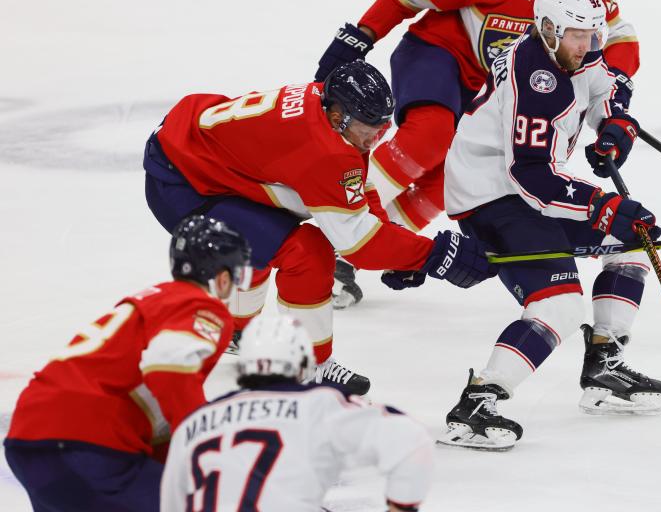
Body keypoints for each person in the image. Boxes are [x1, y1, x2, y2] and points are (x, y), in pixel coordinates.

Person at [314, 0, 639, 306]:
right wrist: (358, 37)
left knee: (451, 178)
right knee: (429, 138)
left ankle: (359, 249)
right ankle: (343, 215)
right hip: (438, 56)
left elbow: (620, 34)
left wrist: (614, 94)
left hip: (497, 87)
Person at [143, 60, 498, 396]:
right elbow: (359, 244)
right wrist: (435, 257)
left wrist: (404, 251)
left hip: (199, 158)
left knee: (270, 232)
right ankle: (308, 367)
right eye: (367, 130)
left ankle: (238, 329)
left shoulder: (332, 113)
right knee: (305, 251)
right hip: (183, 185)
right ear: (339, 115)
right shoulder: (326, 149)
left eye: (381, 130)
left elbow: (357, 189)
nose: (374, 139)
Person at [433, 0, 661, 451]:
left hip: (525, 184)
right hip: (492, 194)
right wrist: (601, 205)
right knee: (557, 304)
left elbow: (605, 85)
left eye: (592, 34)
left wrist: (615, 121)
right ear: (545, 28)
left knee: (631, 243)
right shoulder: (533, 82)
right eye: (576, 36)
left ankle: (604, 366)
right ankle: (477, 404)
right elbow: (532, 178)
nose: (586, 45)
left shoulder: (574, 45)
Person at [4, 215, 252, 511]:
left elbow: (157, 400)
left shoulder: (154, 301)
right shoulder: (202, 306)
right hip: (89, 441)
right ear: (222, 277)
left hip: (28, 439)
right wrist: (203, 439)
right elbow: (168, 365)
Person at [160, 313, 434, 512]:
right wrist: (402, 506)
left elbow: (171, 503)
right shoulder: (319, 404)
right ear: (303, 364)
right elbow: (411, 439)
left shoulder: (196, 423)